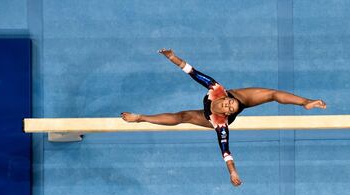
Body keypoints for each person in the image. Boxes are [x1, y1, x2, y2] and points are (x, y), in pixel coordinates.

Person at [121, 49, 326, 187]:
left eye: (229, 107)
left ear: (227, 114)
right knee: (264, 94)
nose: (227, 104)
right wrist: (172, 57)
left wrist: (232, 172)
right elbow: (191, 71)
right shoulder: (217, 89)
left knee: (183, 116)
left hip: (211, 115)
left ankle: (141, 118)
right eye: (229, 102)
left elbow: (226, 151)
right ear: (227, 98)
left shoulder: (221, 123)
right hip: (240, 96)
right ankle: (305, 101)